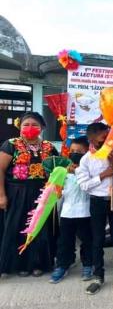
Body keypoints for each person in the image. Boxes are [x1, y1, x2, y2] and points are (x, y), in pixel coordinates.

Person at [0, 112, 59, 277]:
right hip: (16, 194)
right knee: (17, 227)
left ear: (42, 128)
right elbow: (0, 170)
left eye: (35, 125)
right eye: (26, 125)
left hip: (42, 194)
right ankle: (16, 265)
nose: (30, 128)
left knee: (39, 229)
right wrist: (1, 195)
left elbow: (58, 170)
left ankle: (37, 264)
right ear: (19, 126)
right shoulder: (10, 144)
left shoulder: (49, 146)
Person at [76, 122, 113, 296]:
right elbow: (84, 185)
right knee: (97, 239)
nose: (107, 140)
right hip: (98, 202)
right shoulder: (86, 159)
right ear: (91, 138)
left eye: (109, 136)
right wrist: (103, 175)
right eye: (103, 137)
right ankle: (98, 276)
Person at [50, 136, 93, 283]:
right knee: (65, 240)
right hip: (67, 212)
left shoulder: (90, 169)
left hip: (85, 212)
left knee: (87, 240)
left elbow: (90, 188)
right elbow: (57, 191)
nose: (75, 153)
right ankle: (63, 264)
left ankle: (88, 264)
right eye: (72, 150)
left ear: (87, 152)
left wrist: (78, 173)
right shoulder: (62, 170)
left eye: (79, 151)